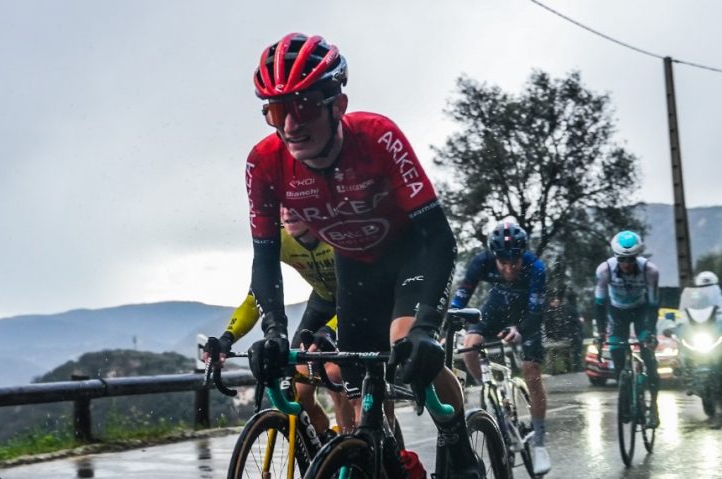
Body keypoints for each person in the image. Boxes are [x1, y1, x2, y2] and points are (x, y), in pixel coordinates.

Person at [244, 33, 477, 476]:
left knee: (408, 349)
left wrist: (427, 327)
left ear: (338, 104)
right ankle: (386, 461)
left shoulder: (377, 136)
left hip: (410, 257)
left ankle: (459, 442)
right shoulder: (264, 162)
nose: (289, 125)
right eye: (276, 110)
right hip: (354, 269)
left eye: (303, 107)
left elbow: (439, 239)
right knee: (358, 393)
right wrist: (274, 330)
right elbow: (264, 257)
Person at [209, 207, 353, 437]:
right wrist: (228, 337)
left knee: (337, 376)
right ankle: (324, 443)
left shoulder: (336, 232)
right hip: (323, 304)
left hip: (358, 300)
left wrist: (330, 332)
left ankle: (354, 445)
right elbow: (255, 299)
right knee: (296, 388)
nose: (285, 212)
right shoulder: (282, 237)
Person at [450, 222, 551, 475]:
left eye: (514, 263)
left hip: (527, 315)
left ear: (522, 255)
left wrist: (520, 329)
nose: (508, 269)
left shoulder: (536, 268)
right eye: (503, 263)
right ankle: (491, 392)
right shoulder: (481, 262)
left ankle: (539, 443)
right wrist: (450, 318)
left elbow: (536, 313)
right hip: (496, 309)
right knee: (469, 347)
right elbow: (462, 295)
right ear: (494, 257)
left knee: (531, 371)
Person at [594, 230, 660, 427]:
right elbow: (599, 304)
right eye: (622, 259)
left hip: (641, 311)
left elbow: (654, 304)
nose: (627, 264)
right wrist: (601, 333)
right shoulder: (605, 270)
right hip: (617, 313)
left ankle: (654, 407)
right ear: (616, 257)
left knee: (648, 355)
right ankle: (625, 395)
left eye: (631, 259)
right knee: (616, 352)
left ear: (637, 256)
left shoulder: (650, 271)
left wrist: (650, 332)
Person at [543, 288, 583, 372]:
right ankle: (553, 369)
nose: (557, 301)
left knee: (563, 350)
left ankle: (566, 368)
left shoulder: (561, 310)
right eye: (555, 300)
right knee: (552, 350)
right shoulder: (549, 313)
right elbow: (549, 328)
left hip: (562, 338)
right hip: (554, 339)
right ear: (551, 302)